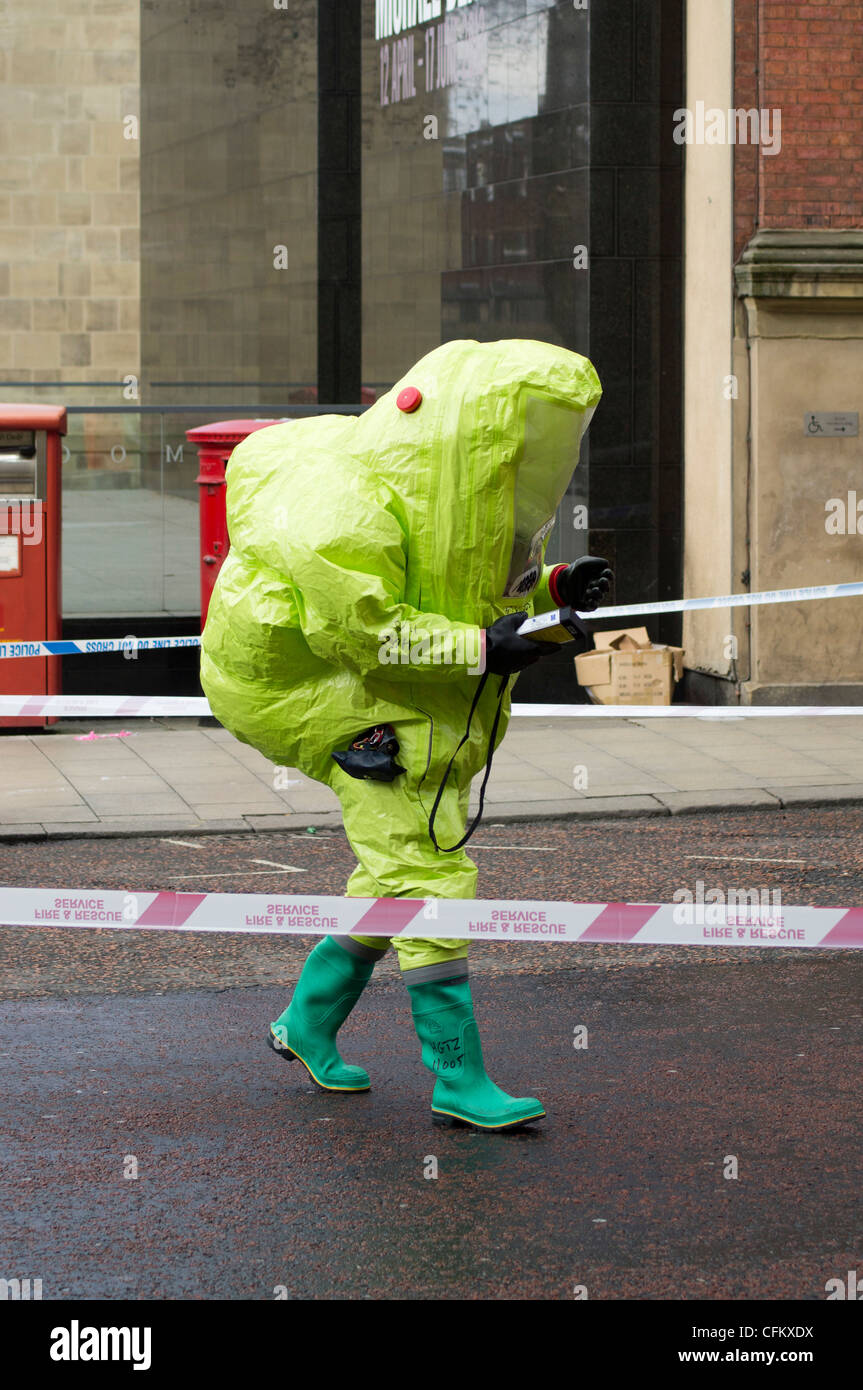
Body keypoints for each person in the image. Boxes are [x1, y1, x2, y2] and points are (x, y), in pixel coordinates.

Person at [201, 338, 611, 1130]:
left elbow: (472, 589)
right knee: (427, 871)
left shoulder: (463, 492)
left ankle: (308, 1023)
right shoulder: (341, 507)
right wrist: (482, 648)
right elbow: (366, 630)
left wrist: (554, 594)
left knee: (394, 871)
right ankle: (457, 1079)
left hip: (367, 678)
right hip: (307, 687)